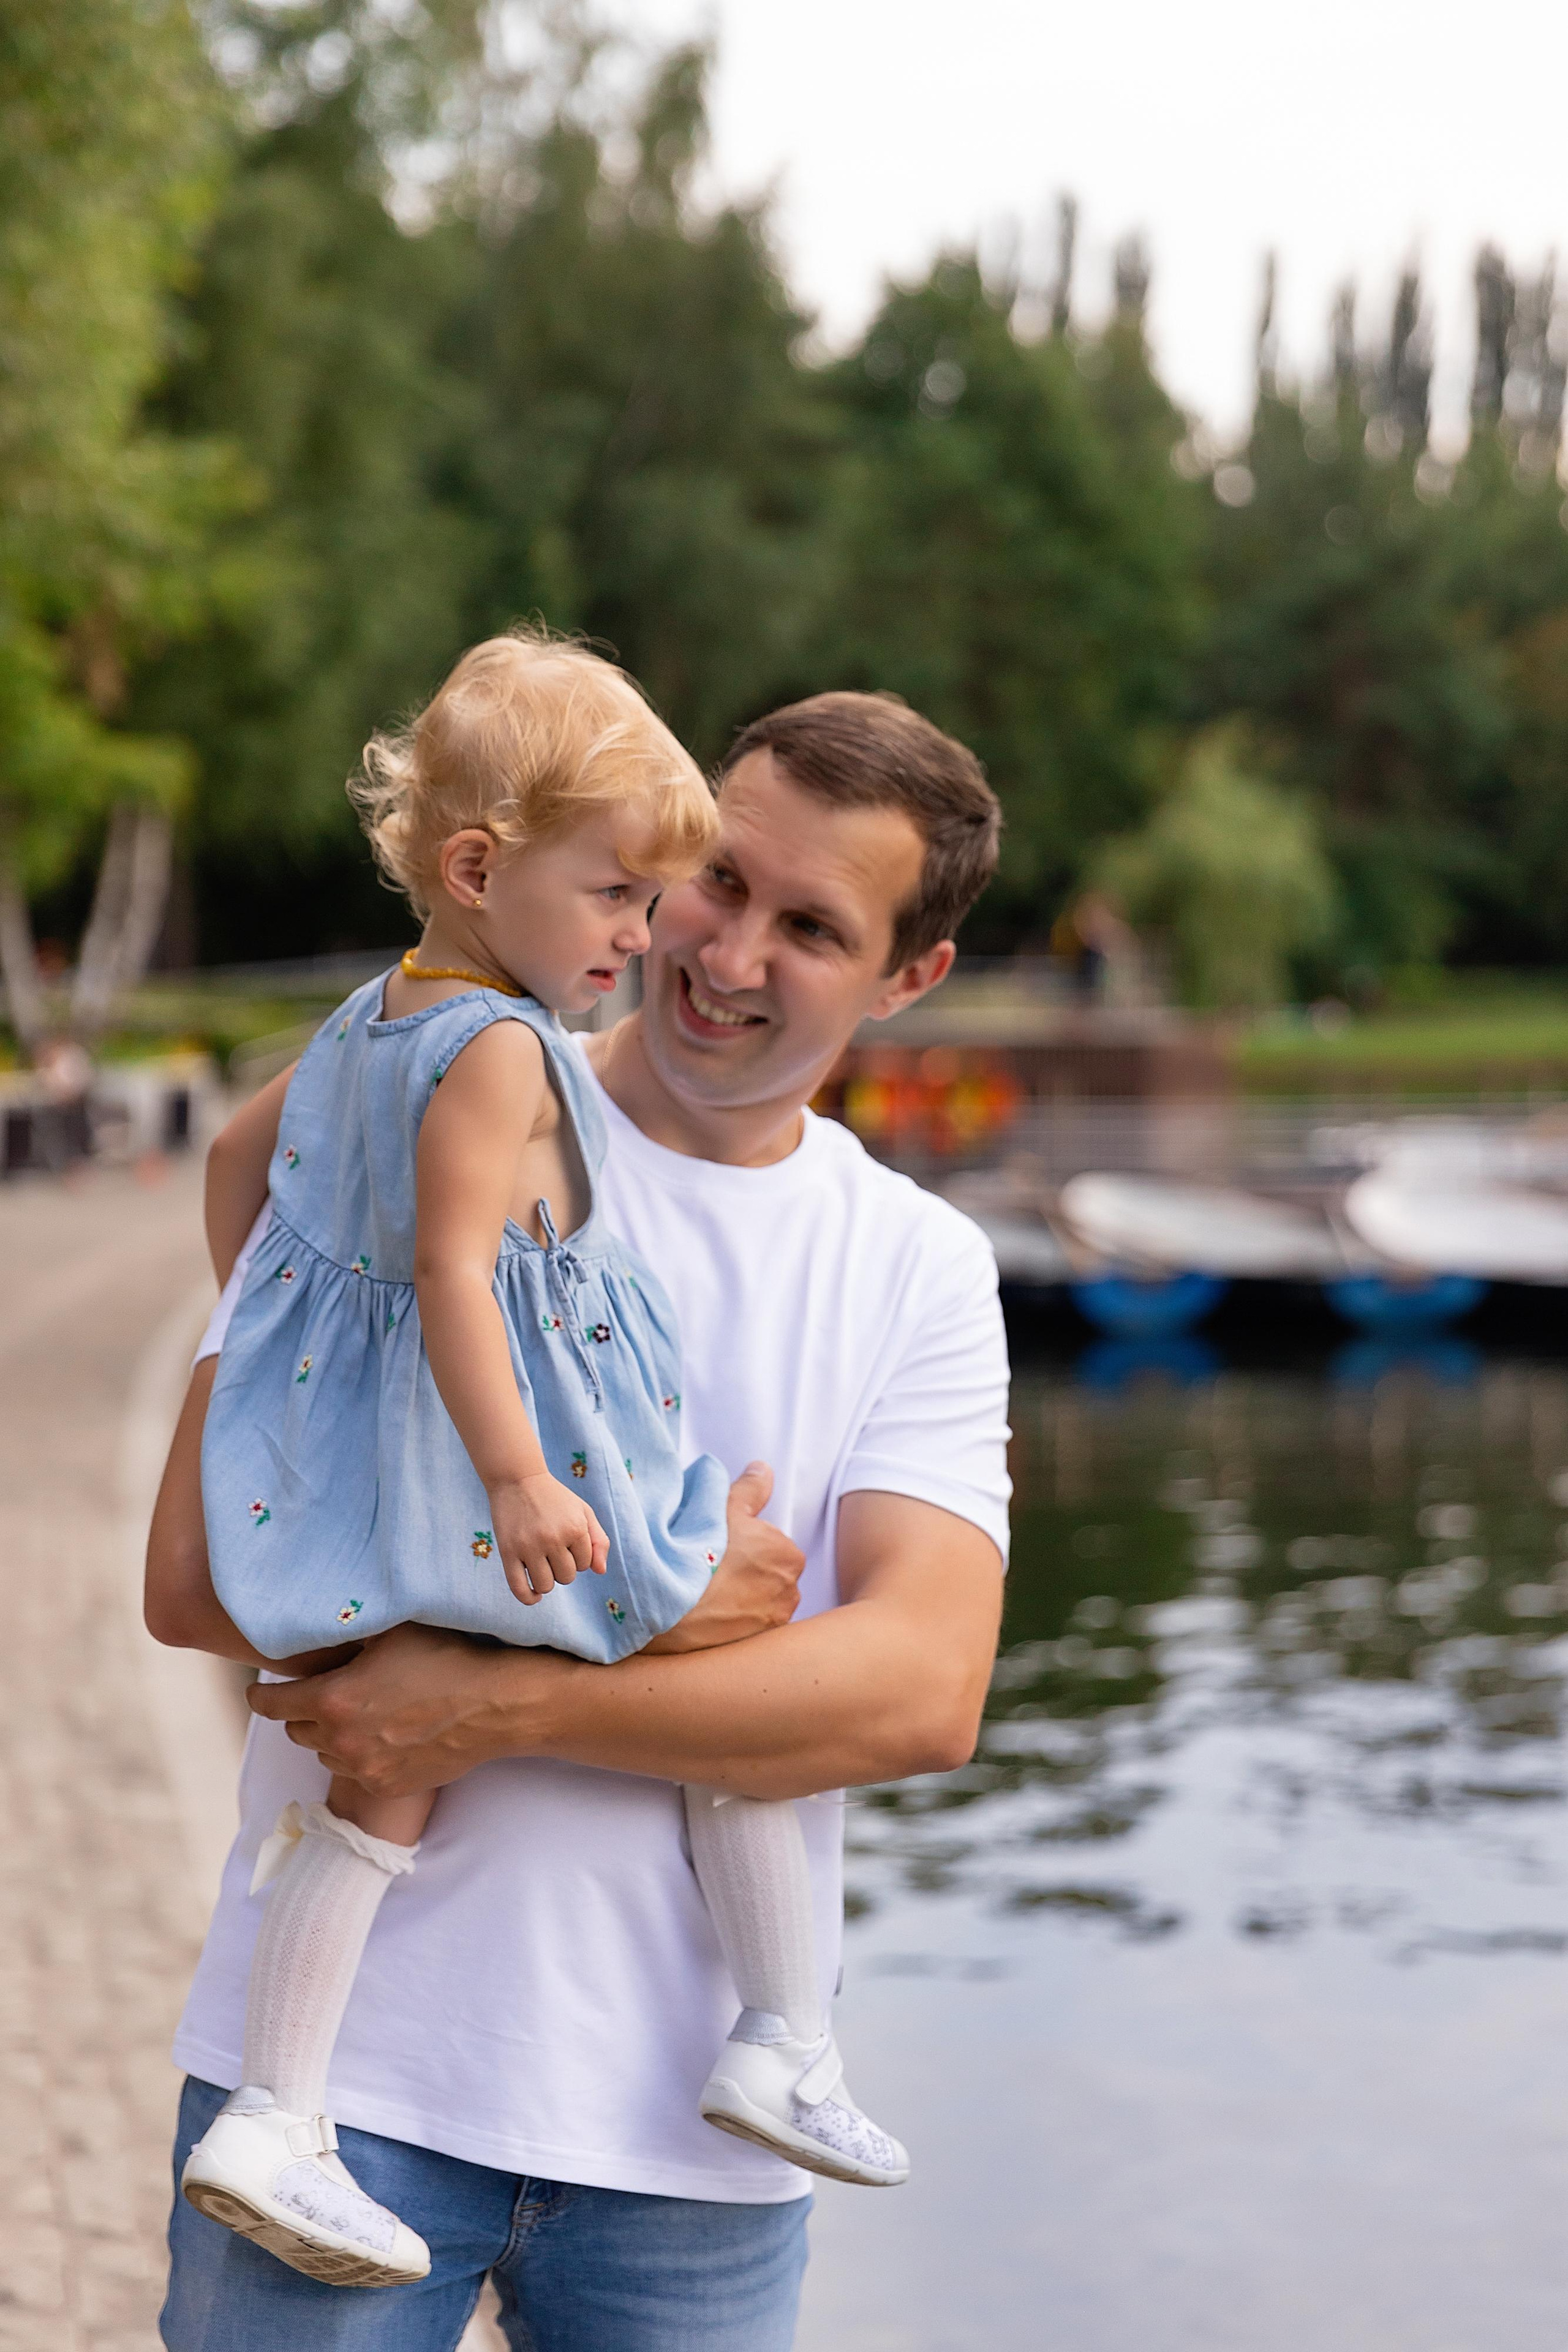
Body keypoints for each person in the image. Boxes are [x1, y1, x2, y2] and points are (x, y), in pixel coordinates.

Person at [148, 685, 1011, 2352]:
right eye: (716, 884)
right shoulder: (405, 1109)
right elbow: (199, 1577)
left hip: (696, 2150)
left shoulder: (918, 1270)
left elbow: (917, 1692)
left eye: (813, 928)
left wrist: (495, 1697)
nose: (725, 951)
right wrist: (686, 1619)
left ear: (914, 979)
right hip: (346, 2090)